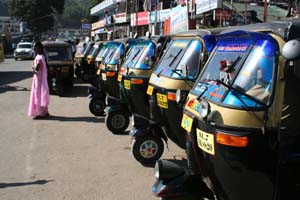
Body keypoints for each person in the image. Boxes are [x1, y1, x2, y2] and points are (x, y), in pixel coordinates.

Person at [28, 42, 50, 119]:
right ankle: (44, 111)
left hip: (38, 80)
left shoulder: (40, 57)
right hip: (38, 79)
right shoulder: (41, 56)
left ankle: (40, 113)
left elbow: (35, 70)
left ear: (40, 48)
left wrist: (33, 68)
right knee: (41, 95)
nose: (34, 49)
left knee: (38, 96)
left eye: (35, 47)